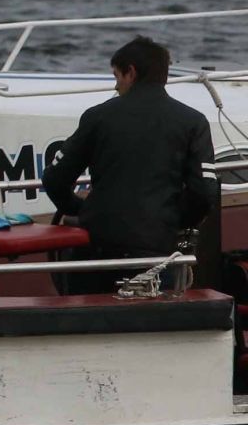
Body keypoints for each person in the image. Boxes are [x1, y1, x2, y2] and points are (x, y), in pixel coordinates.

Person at [42, 35, 215, 293]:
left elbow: (54, 179)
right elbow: (204, 193)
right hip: (157, 251)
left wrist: (80, 207)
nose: (116, 86)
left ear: (131, 72)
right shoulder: (193, 122)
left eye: (116, 77)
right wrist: (170, 220)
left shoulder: (98, 117)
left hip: (98, 248)